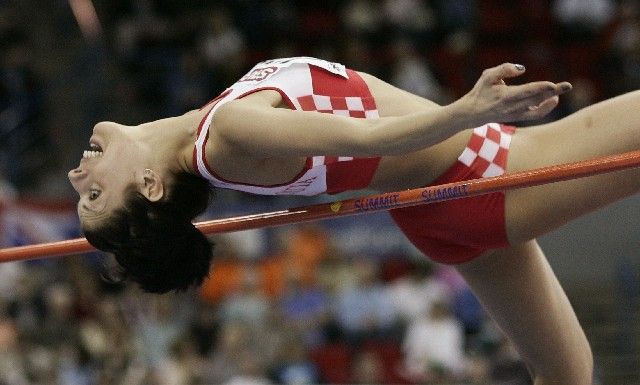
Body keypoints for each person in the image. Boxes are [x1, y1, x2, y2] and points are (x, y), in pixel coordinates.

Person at [68, 56, 640, 384]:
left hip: (436, 209)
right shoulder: (226, 137)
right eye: (95, 193)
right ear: (150, 187)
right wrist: (467, 110)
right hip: (478, 174)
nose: (76, 177)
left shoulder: (211, 136)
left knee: (568, 374)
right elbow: (364, 134)